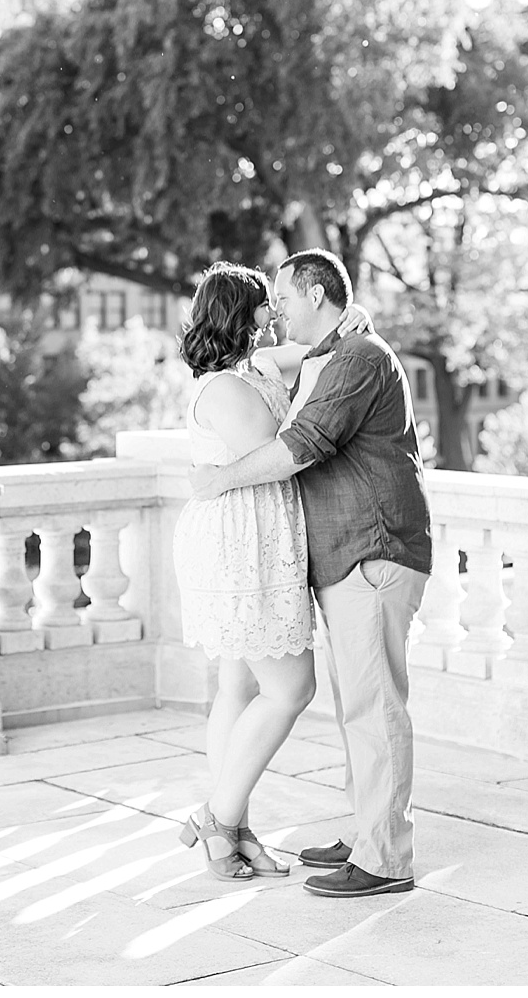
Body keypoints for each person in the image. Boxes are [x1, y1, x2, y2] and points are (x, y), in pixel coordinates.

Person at [190, 249, 432, 899]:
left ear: (317, 294)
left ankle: (383, 859)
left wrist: (217, 481)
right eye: (267, 301)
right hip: (335, 552)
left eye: (286, 297)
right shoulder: (328, 355)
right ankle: (363, 834)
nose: (278, 309)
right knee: (356, 703)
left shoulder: (355, 357)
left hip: (372, 549)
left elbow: (302, 446)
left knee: (372, 706)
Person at [172, 262, 366, 881]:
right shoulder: (224, 387)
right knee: (291, 690)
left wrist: (354, 322)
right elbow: (285, 449)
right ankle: (218, 819)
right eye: (266, 304)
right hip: (239, 545)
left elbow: (314, 347)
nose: (277, 312)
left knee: (238, 689)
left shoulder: (256, 368)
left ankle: (233, 831)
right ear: (244, 314)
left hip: (258, 536)